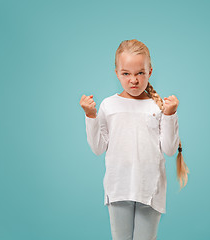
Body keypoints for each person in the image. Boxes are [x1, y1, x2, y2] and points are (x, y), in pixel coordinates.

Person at [79, 39, 189, 240]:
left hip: (150, 189)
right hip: (118, 187)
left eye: (140, 73)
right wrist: (90, 116)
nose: (134, 80)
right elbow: (97, 148)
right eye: (126, 73)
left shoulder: (157, 107)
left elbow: (170, 149)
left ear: (150, 72)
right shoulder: (108, 105)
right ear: (117, 73)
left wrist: (171, 114)